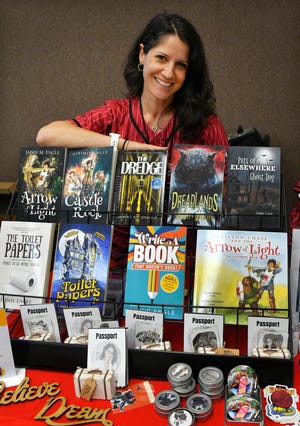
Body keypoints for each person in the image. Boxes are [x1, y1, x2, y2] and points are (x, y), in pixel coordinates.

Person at [36, 12, 229, 257]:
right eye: (162, 58)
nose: (169, 72)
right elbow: (47, 135)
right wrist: (125, 146)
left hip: (181, 265)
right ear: (142, 54)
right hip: (113, 264)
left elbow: (227, 198)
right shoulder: (115, 115)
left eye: (181, 65)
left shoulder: (206, 124)